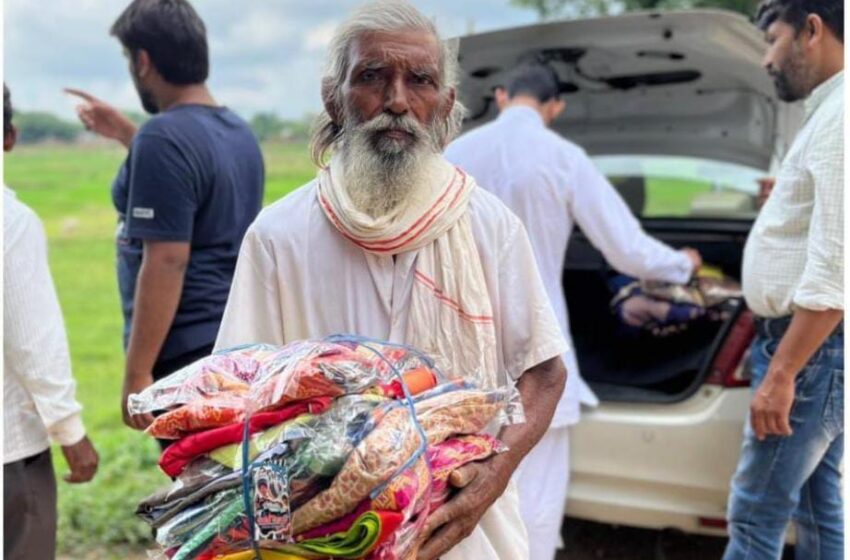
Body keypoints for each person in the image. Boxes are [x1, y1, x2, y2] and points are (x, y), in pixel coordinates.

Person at [202, 2, 567, 558]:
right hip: (323, 535)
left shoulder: (488, 224)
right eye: (372, 77)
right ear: (334, 97)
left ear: (444, 104)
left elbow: (543, 371)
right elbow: (238, 397)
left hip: (464, 529)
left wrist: (489, 480)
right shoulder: (279, 235)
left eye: (419, 81)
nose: (397, 101)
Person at [445, 62, 702, 560]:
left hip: (458, 348)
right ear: (555, 107)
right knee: (535, 498)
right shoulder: (563, 156)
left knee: (459, 479)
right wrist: (682, 266)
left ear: (500, 95)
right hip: (534, 351)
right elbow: (627, 249)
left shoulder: (456, 153)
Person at [65, 0, 265, 432]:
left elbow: (167, 259)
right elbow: (187, 185)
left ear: (143, 61)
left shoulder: (164, 137)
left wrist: (138, 375)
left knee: (199, 486)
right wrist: (125, 133)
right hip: (230, 340)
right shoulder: (237, 131)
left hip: (184, 352)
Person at [724, 1, 844, 559]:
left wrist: (784, 372)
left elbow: (837, 266)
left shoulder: (841, 116)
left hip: (808, 351)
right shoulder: (829, 112)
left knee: (754, 516)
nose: (767, 58)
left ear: (813, 31)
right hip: (817, 350)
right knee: (818, 507)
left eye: (773, 40)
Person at [3, 83, 100, 559]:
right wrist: (69, 431)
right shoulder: (11, 222)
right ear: (10, 137)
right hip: (9, 451)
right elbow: (31, 342)